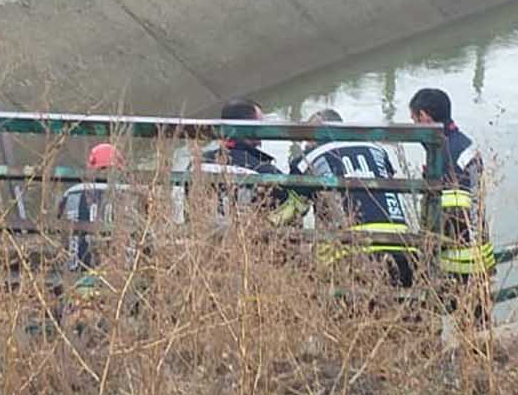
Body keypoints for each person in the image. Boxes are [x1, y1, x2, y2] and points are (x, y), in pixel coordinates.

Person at [294, 109, 418, 287]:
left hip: (348, 255)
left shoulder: (309, 158)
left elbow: (292, 208)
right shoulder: (376, 149)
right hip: (402, 248)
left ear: (312, 138)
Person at [408, 87, 495, 286]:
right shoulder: (465, 144)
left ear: (424, 117)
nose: (414, 128)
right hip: (480, 254)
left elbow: (443, 217)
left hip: (456, 265)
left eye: (414, 120)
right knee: (479, 316)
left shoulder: (442, 155)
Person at [177, 98, 289, 227]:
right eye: (260, 126)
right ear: (248, 128)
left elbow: (190, 206)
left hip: (203, 238)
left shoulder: (196, 165)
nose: (262, 132)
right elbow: (287, 208)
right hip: (248, 242)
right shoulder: (263, 171)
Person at [57, 142, 132, 272]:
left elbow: (58, 223)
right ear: (119, 167)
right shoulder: (129, 194)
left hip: (74, 270)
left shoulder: (71, 193)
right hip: (120, 275)